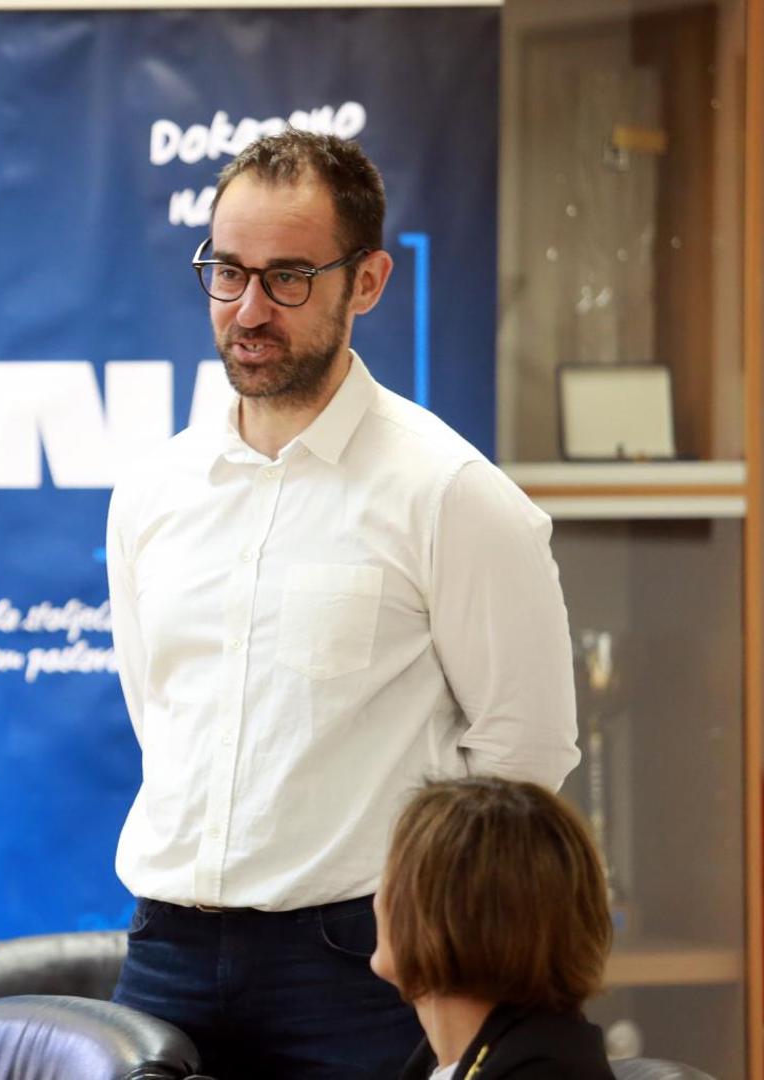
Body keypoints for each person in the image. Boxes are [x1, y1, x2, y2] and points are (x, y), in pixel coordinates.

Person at [105, 129, 581, 1078]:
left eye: (287, 278)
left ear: (367, 282)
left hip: (360, 967)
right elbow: (158, 714)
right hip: (166, 953)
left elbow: (525, 757)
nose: (248, 309)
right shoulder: (153, 491)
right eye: (226, 273)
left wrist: (416, 928)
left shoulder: (450, 493)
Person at [375, 777, 613, 1079]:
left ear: (447, 917)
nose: (377, 900)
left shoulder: (544, 1071)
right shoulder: (450, 1061)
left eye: (392, 879)